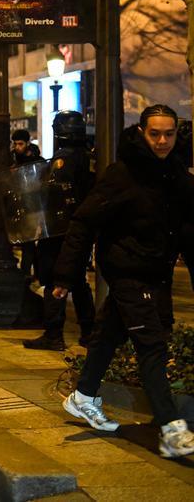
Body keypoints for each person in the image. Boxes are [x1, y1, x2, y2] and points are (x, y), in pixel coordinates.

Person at [57, 105, 194, 458]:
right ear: (141, 132)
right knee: (151, 344)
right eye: (155, 134)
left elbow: (188, 233)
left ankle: (83, 397)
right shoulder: (122, 175)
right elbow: (84, 221)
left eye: (169, 134)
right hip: (127, 272)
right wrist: (66, 274)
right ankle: (170, 428)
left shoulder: (178, 175)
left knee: (108, 336)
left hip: (157, 273)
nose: (162, 141)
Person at [23, 111, 95, 351]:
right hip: (81, 227)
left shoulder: (63, 159)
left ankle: (54, 334)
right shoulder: (89, 156)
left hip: (59, 229)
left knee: (55, 277)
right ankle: (88, 331)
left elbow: (55, 193)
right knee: (78, 279)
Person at [10, 129, 45, 279]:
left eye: (20, 144)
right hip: (17, 205)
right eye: (15, 144)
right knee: (27, 242)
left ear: (27, 143)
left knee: (29, 243)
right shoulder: (11, 159)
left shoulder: (37, 160)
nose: (18, 147)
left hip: (33, 205)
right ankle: (33, 273)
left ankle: (27, 273)